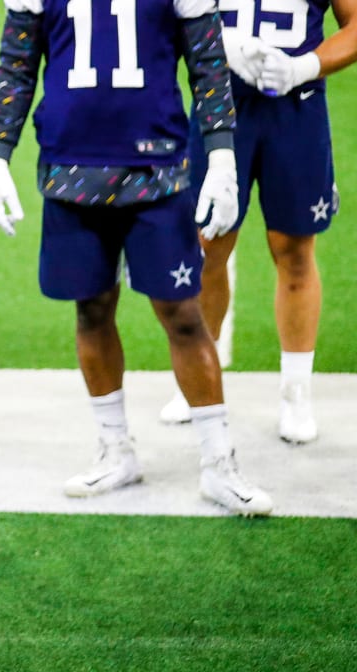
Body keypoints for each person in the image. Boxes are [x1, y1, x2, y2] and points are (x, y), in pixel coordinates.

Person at [0, 0, 273, 514]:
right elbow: (16, 65)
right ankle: (116, 451)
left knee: (183, 313)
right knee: (90, 309)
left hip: (156, 168)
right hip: (71, 169)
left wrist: (222, 153)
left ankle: (219, 463)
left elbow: (208, 62)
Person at [157, 0, 357, 444]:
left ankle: (296, 391)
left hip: (297, 108)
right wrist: (221, 44)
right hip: (218, 106)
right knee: (206, 245)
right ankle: (197, 381)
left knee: (295, 250)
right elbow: (163, 16)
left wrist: (306, 66)